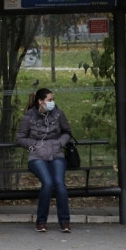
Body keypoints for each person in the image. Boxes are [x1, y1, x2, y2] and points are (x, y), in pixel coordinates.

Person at [16, 87, 74, 233]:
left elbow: (67, 132)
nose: (52, 102)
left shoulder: (58, 113)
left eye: (52, 99)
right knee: (47, 183)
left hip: (56, 153)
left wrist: (60, 142)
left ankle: (65, 221)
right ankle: (41, 222)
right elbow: (20, 138)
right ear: (40, 101)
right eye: (49, 100)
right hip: (37, 156)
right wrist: (34, 145)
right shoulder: (28, 117)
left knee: (60, 184)